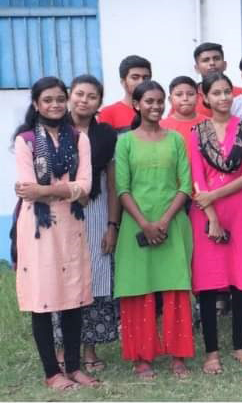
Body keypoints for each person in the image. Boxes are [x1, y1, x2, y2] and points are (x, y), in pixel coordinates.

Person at [12, 77, 96, 390]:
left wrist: (45, 190)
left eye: (60, 99)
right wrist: (66, 189)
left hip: (71, 225)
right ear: (37, 104)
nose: (55, 105)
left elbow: (85, 186)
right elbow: (27, 189)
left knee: (74, 296)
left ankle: (73, 367)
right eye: (48, 100)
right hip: (39, 228)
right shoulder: (25, 141)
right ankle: (52, 372)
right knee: (42, 298)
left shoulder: (79, 138)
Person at [113, 80, 195, 379]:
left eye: (160, 101)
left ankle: (178, 355)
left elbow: (185, 185)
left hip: (173, 223)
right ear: (137, 104)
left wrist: (163, 221)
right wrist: (145, 224)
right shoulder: (125, 142)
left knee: (175, 287)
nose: (156, 106)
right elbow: (122, 188)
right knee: (138, 288)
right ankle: (141, 357)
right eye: (149, 101)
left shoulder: (175, 140)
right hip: (136, 225)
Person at [189, 72, 242, 374]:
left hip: (238, 209)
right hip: (205, 213)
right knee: (208, 282)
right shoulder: (197, 132)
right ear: (205, 97)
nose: (223, 98)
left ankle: (240, 347)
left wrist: (214, 195)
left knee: (240, 279)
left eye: (227, 92)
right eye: (216, 93)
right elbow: (196, 177)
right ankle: (211, 352)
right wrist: (212, 218)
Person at [51, 76, 120, 374]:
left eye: (92, 96)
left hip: (96, 212)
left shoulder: (106, 136)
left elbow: (112, 185)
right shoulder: (54, 131)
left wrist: (112, 225)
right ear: (70, 96)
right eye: (79, 94)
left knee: (95, 277)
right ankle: (63, 350)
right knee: (63, 276)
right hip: (60, 212)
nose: (84, 100)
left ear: (99, 102)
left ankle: (90, 349)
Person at [98, 55, 152, 131]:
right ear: (123, 82)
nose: (141, 82)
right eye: (135, 77)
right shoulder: (108, 113)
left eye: (145, 78)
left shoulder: (154, 110)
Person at [193, 42, 242, 117]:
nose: (212, 63)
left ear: (225, 65)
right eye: (206, 60)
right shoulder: (188, 98)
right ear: (197, 68)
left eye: (216, 58)